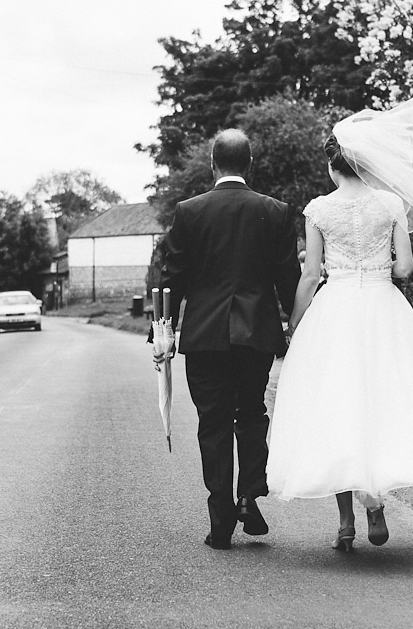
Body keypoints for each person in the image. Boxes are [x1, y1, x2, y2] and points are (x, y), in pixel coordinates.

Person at [266, 91, 413, 550]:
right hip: (382, 307)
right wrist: (375, 267)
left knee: (336, 406)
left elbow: (310, 274)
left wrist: (294, 323)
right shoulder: (390, 205)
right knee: (381, 399)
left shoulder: (318, 209)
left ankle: (345, 522)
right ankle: (377, 506)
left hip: (335, 311)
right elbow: (406, 268)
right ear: (368, 163)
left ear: (333, 167)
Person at [155, 128, 301, 550]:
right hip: (256, 334)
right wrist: (298, 323)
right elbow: (287, 279)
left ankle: (221, 520)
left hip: (205, 337)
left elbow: (172, 278)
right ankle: (248, 495)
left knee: (213, 422)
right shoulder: (275, 211)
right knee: (252, 413)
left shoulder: (189, 212)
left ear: (212, 164)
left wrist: (161, 334)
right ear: (250, 164)